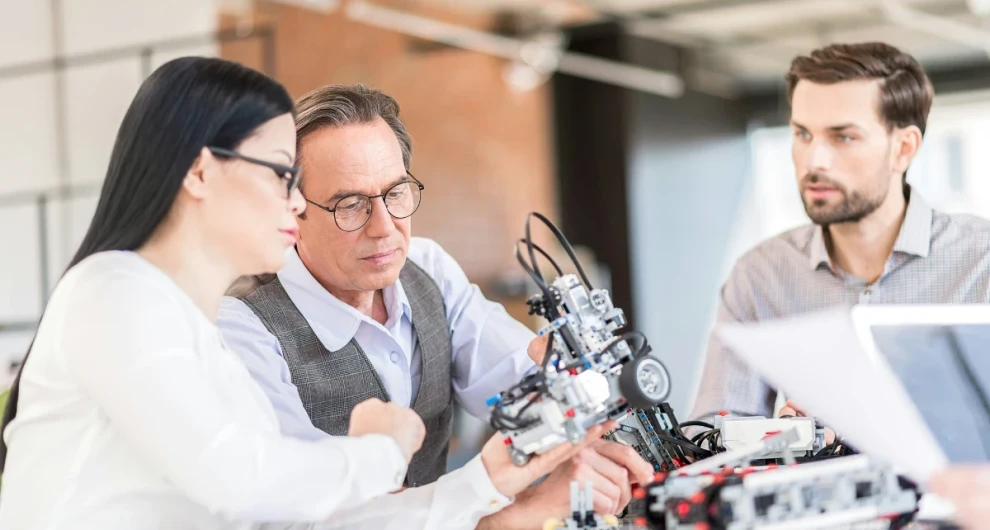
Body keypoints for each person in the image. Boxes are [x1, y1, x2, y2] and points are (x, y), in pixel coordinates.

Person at [0, 57, 598, 530]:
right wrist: (382, 449)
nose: (294, 203)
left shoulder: (189, 325)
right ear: (201, 172)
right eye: (282, 174)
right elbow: (246, 484)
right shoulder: (115, 295)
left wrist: (486, 492)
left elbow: (296, 520)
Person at [217, 83, 653, 527]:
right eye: (350, 205)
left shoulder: (426, 268)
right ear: (292, 210)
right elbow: (312, 517)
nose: (385, 227)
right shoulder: (243, 331)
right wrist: (519, 511)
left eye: (396, 192)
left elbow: (518, 375)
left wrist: (588, 441)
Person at [689, 42, 990, 425]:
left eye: (843, 137)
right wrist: (778, 438)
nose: (814, 161)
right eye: (802, 134)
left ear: (904, 148)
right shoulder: (761, 276)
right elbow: (715, 431)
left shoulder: (982, 262)